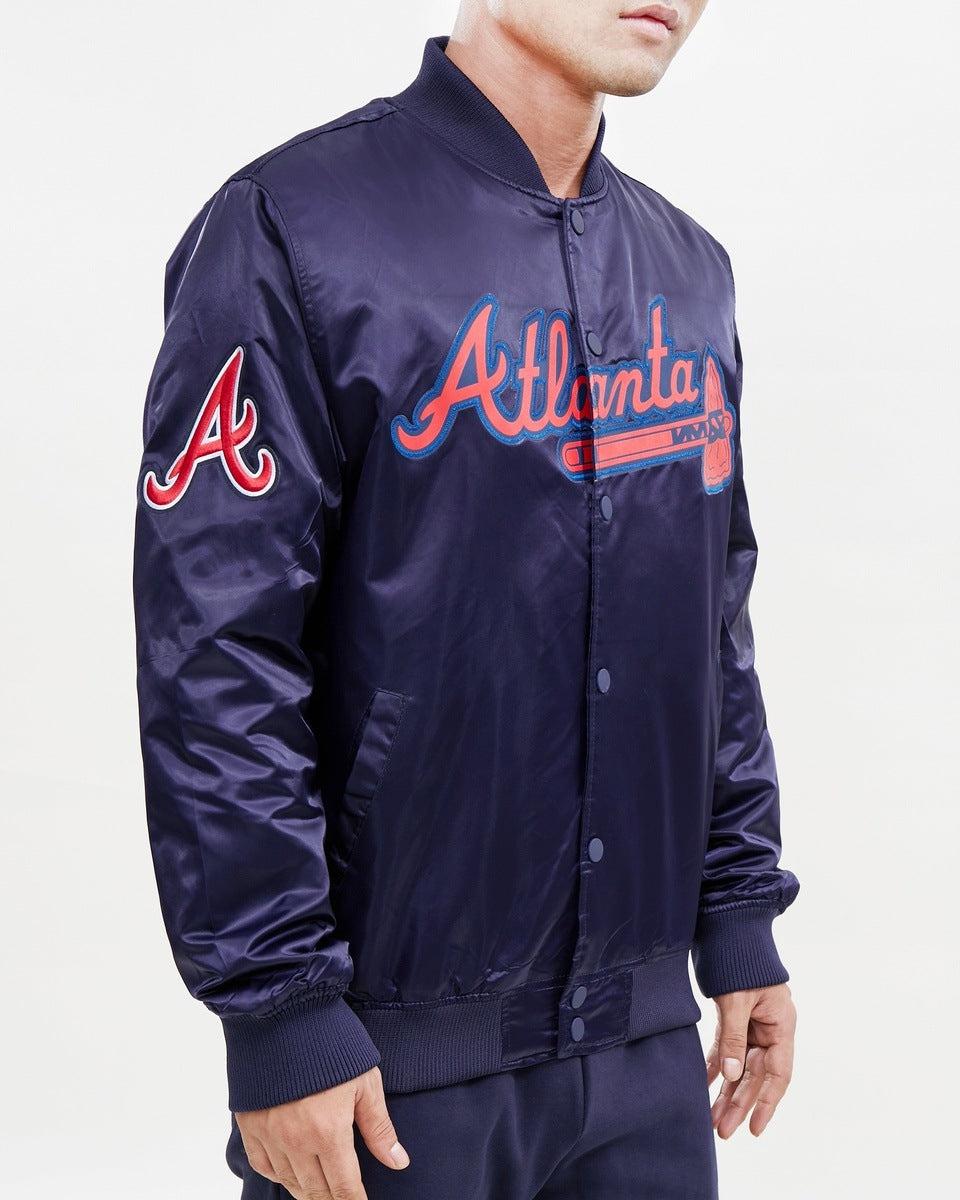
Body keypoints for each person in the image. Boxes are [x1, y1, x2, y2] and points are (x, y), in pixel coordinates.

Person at [133, 2, 799, 1196]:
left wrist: (739, 912)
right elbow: (218, 652)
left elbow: (711, 623)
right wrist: (280, 1010)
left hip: (648, 1057)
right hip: (387, 1074)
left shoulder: (690, 272)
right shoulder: (295, 228)